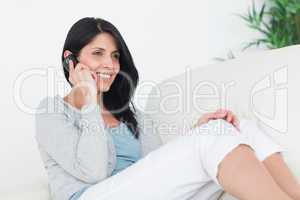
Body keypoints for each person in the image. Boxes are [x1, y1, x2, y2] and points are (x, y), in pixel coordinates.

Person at [35, 17, 300, 200]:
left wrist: (198, 133)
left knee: (236, 127)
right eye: (98, 53)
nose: (110, 65)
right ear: (70, 60)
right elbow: (94, 173)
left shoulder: (130, 113)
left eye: (115, 56)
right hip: (92, 195)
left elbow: (157, 168)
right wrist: (89, 101)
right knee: (214, 135)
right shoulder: (52, 111)